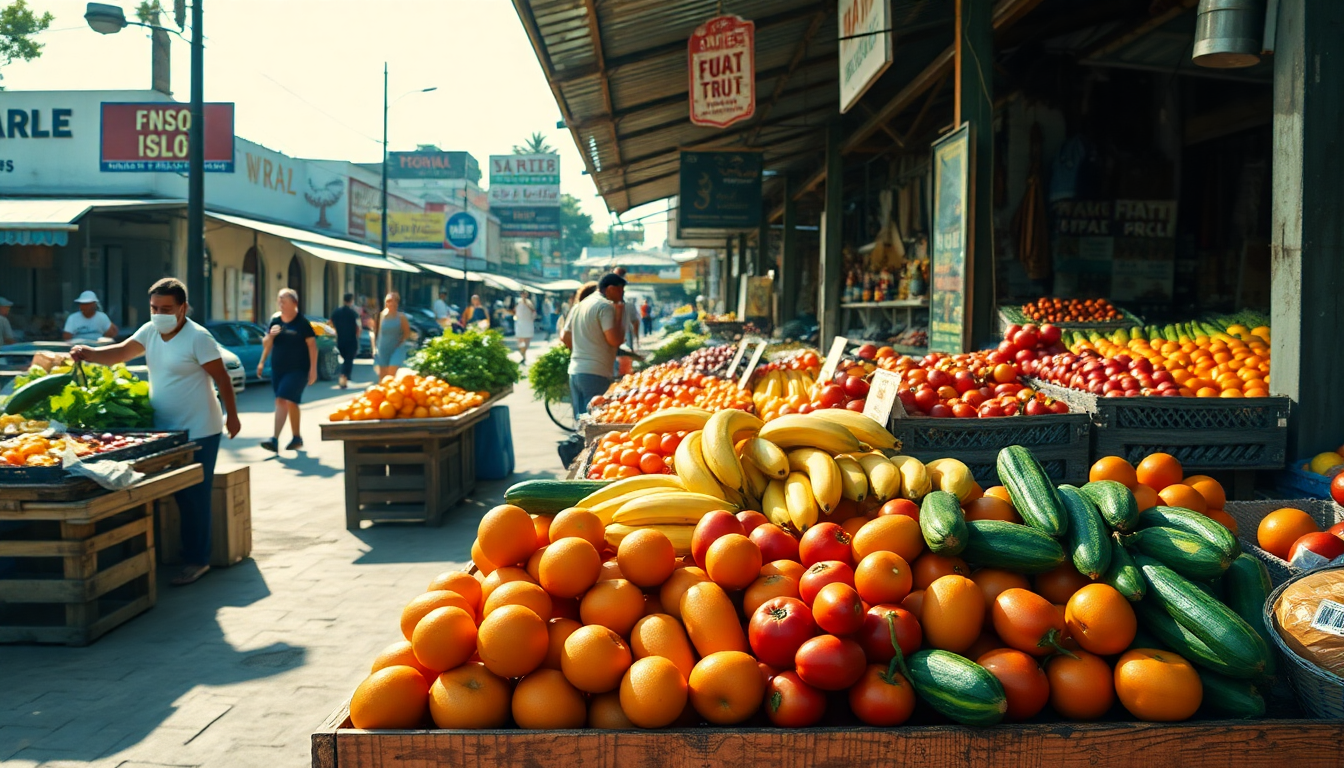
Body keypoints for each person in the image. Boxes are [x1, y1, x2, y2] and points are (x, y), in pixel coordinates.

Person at [71, 278, 240, 586]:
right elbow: (120, 353)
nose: (159, 313)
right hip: (164, 430)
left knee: (195, 496)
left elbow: (223, 380)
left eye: (166, 308)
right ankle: (183, 551)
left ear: (182, 308)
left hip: (200, 429)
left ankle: (198, 559)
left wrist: (233, 417)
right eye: (154, 308)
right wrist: (89, 353)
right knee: (174, 493)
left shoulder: (198, 337)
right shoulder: (150, 331)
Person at [257, 288, 317, 453]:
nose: (281, 304)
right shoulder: (275, 320)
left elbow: (312, 346)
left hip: (298, 370)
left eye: (284, 300)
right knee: (291, 402)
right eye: (279, 300)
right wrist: (262, 361)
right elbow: (266, 343)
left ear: (294, 303)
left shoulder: (302, 323)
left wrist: (313, 369)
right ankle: (297, 438)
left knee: (282, 400)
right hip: (278, 370)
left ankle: (274, 440)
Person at [561, 273, 625, 418]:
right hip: (595, 373)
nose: (622, 295)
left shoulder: (579, 306)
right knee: (595, 423)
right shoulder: (605, 306)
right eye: (620, 291)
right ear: (610, 289)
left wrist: (582, 350)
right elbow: (614, 340)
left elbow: (565, 337)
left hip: (575, 371)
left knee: (582, 423)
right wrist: (620, 315)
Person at [372, 292, 412, 380]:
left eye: (393, 301)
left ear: (397, 303)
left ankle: (393, 393)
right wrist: (374, 348)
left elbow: (407, 332)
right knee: (383, 377)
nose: (391, 303)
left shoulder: (401, 317)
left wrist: (400, 342)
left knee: (391, 373)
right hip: (383, 349)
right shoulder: (381, 316)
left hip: (396, 348)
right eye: (388, 301)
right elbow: (374, 333)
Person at [331, 293, 360, 389]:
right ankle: (344, 376)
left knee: (345, 359)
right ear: (351, 301)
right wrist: (357, 336)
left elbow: (330, 322)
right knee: (349, 359)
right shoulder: (353, 313)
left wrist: (335, 331)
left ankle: (344, 378)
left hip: (340, 339)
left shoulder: (337, 312)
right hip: (351, 339)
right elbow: (358, 327)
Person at [512, 290, 537, 365]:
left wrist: (526, 303)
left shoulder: (529, 302)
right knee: (520, 341)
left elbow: (533, 311)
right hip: (520, 324)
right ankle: (523, 356)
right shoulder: (518, 302)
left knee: (526, 341)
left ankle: (524, 356)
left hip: (527, 323)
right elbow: (514, 311)